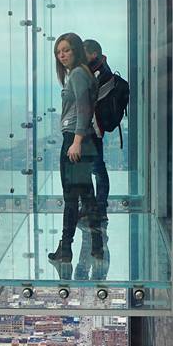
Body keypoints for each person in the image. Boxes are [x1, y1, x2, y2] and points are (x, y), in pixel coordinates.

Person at [47, 33, 103, 264]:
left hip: (75, 139)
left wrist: (76, 141)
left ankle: (66, 248)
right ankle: (96, 247)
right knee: (87, 196)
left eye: (66, 50)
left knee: (71, 197)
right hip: (83, 139)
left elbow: (83, 108)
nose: (62, 55)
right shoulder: (82, 73)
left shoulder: (78, 74)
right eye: (59, 52)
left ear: (76, 50)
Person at [83, 38, 112, 222]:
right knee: (96, 168)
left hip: (93, 129)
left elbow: (89, 101)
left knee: (97, 168)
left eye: (83, 53)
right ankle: (96, 207)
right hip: (94, 128)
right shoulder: (100, 69)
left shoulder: (99, 73)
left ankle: (98, 208)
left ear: (93, 54)